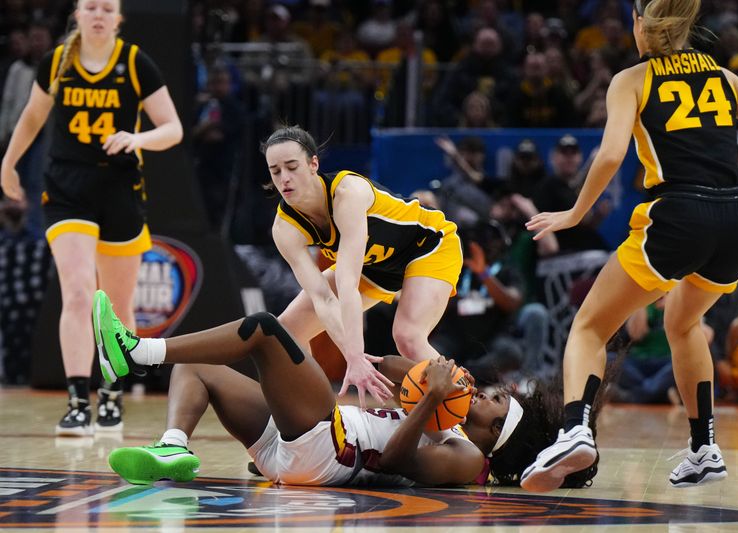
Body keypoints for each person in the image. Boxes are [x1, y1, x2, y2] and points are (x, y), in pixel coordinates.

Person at [522, 0, 738, 492]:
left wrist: (575, 213)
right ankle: (703, 447)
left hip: (678, 213)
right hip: (736, 218)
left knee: (588, 326)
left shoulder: (631, 79)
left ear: (641, 25)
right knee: (683, 321)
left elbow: (609, 155)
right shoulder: (721, 75)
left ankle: (574, 430)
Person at [91, 289, 603, 488]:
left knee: (267, 330)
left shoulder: (472, 461)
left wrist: (428, 399)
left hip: (325, 443)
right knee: (200, 366)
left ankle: (137, 352)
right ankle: (172, 446)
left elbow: (401, 462)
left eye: (496, 401)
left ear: (496, 429)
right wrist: (429, 378)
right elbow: (395, 367)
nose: (489, 391)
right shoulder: (450, 409)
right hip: (295, 449)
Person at [0, 0, 182, 435]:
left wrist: (136, 137)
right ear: (78, 15)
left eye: (106, 7)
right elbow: (31, 117)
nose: (98, 13)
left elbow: (172, 128)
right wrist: (7, 164)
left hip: (119, 187)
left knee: (116, 307)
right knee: (79, 291)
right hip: (66, 188)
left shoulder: (136, 63)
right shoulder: (58, 61)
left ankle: (112, 393)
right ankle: (79, 400)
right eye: (90, 6)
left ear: (117, 18)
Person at [263, 125, 462, 407]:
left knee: (407, 336)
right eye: (275, 171)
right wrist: (352, 356)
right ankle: (312, 420)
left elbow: (347, 284)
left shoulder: (347, 193)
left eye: (292, 167)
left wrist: (356, 355)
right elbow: (322, 297)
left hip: (427, 246)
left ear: (313, 165)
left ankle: (471, 403)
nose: (284, 178)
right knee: (288, 331)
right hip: (377, 267)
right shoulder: (285, 228)